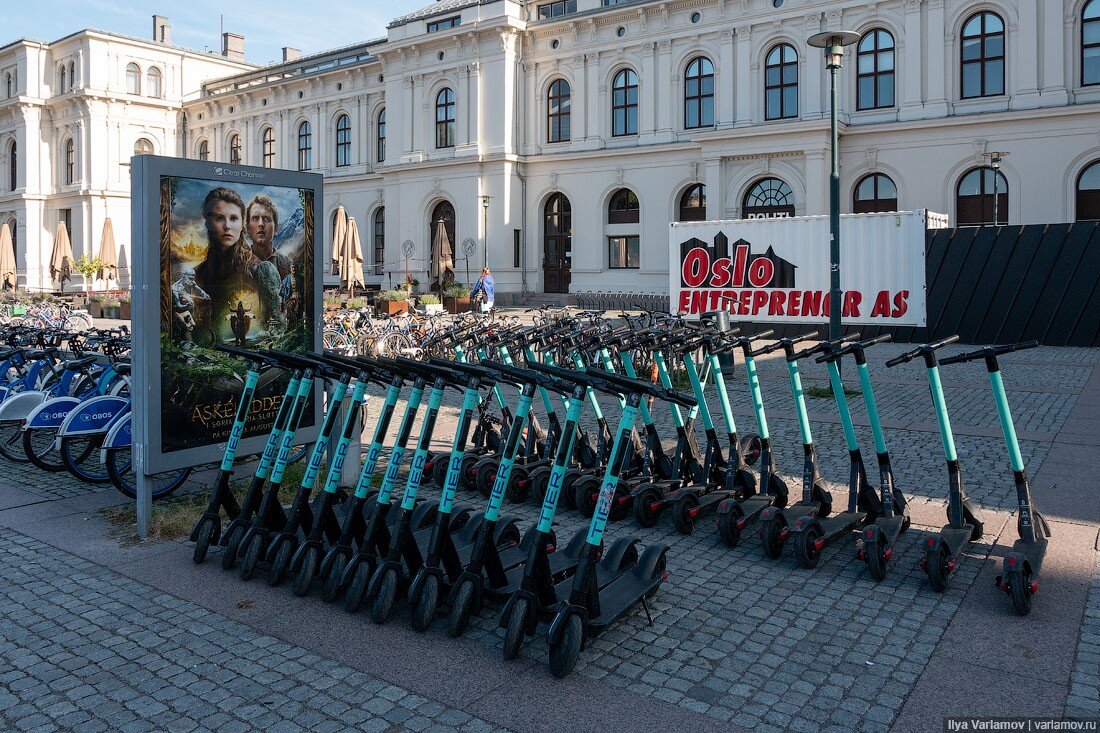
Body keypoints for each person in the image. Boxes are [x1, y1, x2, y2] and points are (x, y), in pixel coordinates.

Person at [194, 187, 280, 334]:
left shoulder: (259, 271)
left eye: (233, 218)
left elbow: (273, 326)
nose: (227, 226)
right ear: (208, 222)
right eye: (219, 218)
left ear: (241, 225)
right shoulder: (197, 274)